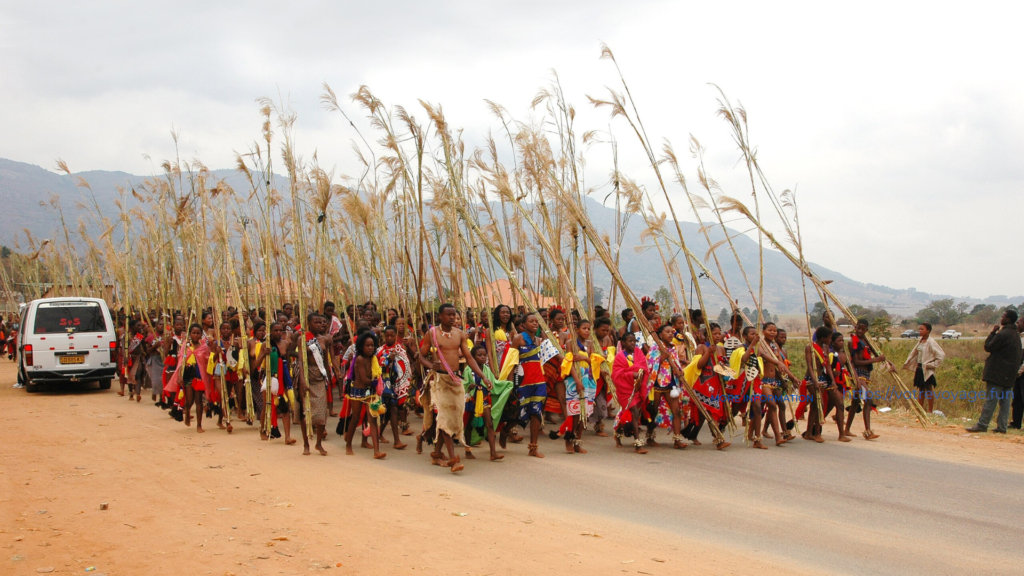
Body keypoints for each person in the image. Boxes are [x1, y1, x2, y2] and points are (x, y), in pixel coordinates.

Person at [418, 303, 491, 473]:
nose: (451, 318)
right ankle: (453, 459)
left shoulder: (460, 334)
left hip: (455, 380)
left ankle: (436, 454)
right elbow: (420, 355)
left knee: (453, 418)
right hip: (439, 381)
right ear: (440, 316)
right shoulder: (432, 334)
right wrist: (430, 364)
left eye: (454, 315)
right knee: (445, 418)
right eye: (448, 315)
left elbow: (469, 358)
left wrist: (483, 376)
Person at [967, 310, 1022, 433]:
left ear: (1007, 319)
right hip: (1010, 374)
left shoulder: (1004, 334)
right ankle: (1002, 427)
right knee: (1005, 402)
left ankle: (982, 424)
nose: (1001, 318)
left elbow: (988, 347)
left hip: (997, 373)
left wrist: (992, 333)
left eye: (1003, 316)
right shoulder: (1015, 335)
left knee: (991, 400)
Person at [645, 324, 689, 450]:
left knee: (676, 411)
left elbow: (675, 363)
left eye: (672, 332)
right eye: (667, 332)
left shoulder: (673, 347)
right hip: (658, 383)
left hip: (671, 383)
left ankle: (677, 440)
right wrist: (660, 359)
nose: (670, 334)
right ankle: (650, 436)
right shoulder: (655, 347)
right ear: (660, 335)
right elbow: (649, 363)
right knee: (653, 411)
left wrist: (680, 371)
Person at [345, 331, 386, 459]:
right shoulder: (360, 359)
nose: (370, 348)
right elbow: (364, 379)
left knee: (372, 419)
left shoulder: (373, 358)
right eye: (367, 345)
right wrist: (376, 383)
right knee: (356, 418)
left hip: (370, 391)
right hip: (358, 391)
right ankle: (348, 445)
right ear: (361, 347)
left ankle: (376, 451)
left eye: (372, 345)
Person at [462, 344, 504, 461]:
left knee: (489, 424)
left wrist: (503, 385)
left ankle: (493, 453)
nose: (483, 357)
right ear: (473, 357)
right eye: (479, 355)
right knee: (469, 425)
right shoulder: (468, 369)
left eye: (484, 355)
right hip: (472, 400)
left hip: (484, 399)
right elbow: (463, 384)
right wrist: (470, 386)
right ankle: (468, 450)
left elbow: (493, 383)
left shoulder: (486, 369)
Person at [846, 319, 884, 440]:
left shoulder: (866, 341)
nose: (860, 331)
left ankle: (846, 429)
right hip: (858, 374)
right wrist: (875, 360)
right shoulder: (852, 342)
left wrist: (886, 361)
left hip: (866, 375)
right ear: (855, 328)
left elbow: (877, 353)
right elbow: (856, 362)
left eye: (863, 329)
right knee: (868, 399)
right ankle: (868, 431)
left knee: (855, 402)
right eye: (858, 328)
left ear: (866, 330)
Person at [902, 322, 945, 414]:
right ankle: (919, 409)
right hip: (919, 368)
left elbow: (940, 355)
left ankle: (930, 411)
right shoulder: (920, 341)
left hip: (927, 369)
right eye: (919, 329)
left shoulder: (931, 342)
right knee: (921, 389)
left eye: (922, 329)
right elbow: (915, 354)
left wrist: (931, 364)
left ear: (928, 330)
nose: (920, 331)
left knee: (929, 389)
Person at [1010, 316, 1024, 430]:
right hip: (1018, 375)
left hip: (1021, 373)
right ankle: (1016, 422)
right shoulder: (1019, 337)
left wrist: (1019, 371)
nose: (1017, 325)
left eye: (1019, 323)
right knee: (1017, 399)